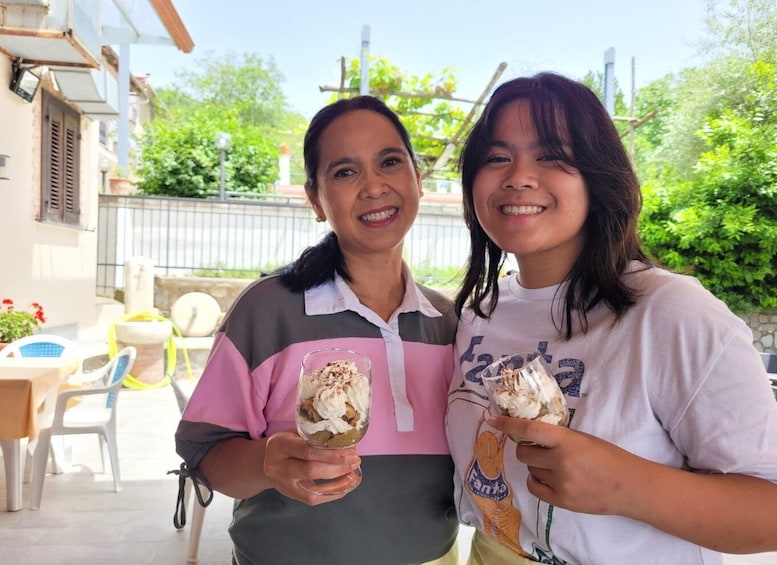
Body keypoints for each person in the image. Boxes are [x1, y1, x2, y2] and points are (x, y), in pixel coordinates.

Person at [445, 72, 777, 564]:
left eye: (551, 156)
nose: (517, 176)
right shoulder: (476, 315)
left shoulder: (670, 314)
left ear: (598, 177)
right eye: (496, 157)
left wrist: (627, 485)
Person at [175, 96, 459, 564]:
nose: (373, 186)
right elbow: (206, 454)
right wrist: (269, 463)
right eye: (345, 172)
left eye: (390, 162)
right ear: (315, 199)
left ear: (417, 179)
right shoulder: (268, 312)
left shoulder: (450, 323)